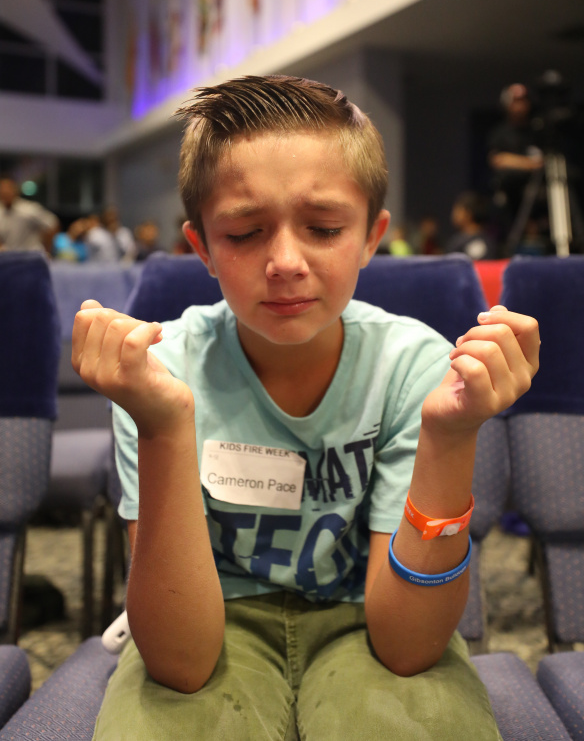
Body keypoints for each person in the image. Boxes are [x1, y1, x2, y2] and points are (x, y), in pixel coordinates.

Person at [72, 75, 539, 740]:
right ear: (202, 248)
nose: (285, 262)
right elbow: (181, 663)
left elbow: (407, 648)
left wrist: (451, 435)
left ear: (372, 236)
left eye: (323, 228)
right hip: (212, 611)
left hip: (366, 612)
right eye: (244, 233)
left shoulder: (412, 367)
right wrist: (163, 426)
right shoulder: (157, 375)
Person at [487, 84, 544, 246]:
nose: (519, 106)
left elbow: (542, 162)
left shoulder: (537, 131)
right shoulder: (499, 133)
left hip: (537, 194)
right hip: (509, 198)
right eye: (515, 101)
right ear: (507, 104)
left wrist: (512, 160)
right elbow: (498, 161)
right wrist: (529, 163)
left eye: (523, 101)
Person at [0, 177, 59, 253]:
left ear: (15, 190)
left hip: (31, 255)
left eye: (8, 189)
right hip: (7, 256)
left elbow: (52, 223)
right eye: (2, 190)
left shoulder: (30, 210)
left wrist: (47, 249)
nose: (5, 192)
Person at [446, 191, 495, 260]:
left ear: (468, 213)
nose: (454, 214)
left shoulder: (486, 242)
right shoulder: (455, 241)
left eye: (458, 210)